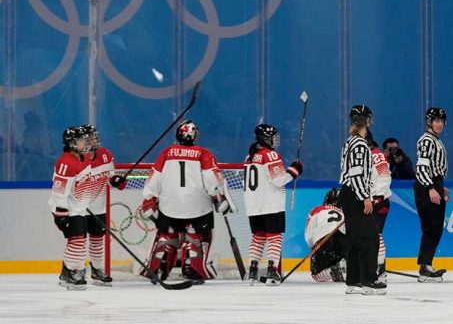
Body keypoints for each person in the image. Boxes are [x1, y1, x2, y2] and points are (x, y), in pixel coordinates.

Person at [141, 120, 234, 285]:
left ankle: (158, 267)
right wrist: (218, 197)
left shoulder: (166, 152)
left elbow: (154, 178)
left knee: (166, 236)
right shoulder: (203, 153)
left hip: (170, 205)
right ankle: (192, 269)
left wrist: (149, 198)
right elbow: (213, 179)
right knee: (197, 237)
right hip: (198, 206)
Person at [243, 124, 303, 286]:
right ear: (263, 138)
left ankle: (253, 269)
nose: (274, 140)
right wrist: (294, 170)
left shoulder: (249, 157)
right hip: (270, 204)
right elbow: (279, 180)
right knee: (274, 237)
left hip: (253, 205)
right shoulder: (270, 155)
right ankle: (272, 270)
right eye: (271, 137)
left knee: (258, 237)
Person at [338, 105, 386, 295]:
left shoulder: (350, 141)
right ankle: (368, 280)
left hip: (349, 193)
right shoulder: (359, 144)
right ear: (367, 121)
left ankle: (354, 280)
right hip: (354, 194)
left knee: (355, 239)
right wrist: (365, 196)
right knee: (370, 237)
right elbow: (356, 173)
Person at [48, 126, 92, 289]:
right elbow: (59, 192)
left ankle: (69, 272)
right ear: (72, 143)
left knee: (80, 240)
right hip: (67, 209)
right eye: (82, 141)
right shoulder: (66, 163)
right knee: (76, 240)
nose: (85, 143)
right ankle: (72, 271)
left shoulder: (84, 158)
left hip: (78, 208)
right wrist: (61, 214)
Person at [414, 107, 450, 282]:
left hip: (433, 183)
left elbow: (432, 168)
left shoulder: (434, 140)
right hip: (426, 186)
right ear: (429, 122)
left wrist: (439, 187)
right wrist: (430, 188)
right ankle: (425, 267)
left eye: (442, 121)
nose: (440, 124)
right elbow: (422, 167)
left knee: (434, 227)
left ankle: (426, 264)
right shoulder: (427, 141)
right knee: (431, 227)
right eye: (436, 121)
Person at [81, 124, 120, 286]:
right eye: (91, 138)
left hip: (99, 207)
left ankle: (97, 270)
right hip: (79, 209)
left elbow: (111, 177)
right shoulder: (75, 158)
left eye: (95, 137)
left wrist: (117, 180)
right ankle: (74, 271)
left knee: (97, 240)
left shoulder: (105, 154)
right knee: (77, 241)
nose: (95, 140)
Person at [304, 188, 347, 282]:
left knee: (316, 275)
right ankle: (345, 266)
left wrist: (315, 249)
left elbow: (309, 235)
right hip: (343, 241)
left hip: (324, 241)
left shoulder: (316, 209)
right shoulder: (344, 213)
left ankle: (334, 270)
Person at [367, 131, 392, 283]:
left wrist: (378, 196)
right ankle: (374, 266)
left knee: (376, 235)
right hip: (370, 201)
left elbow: (385, 176)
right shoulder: (363, 154)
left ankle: (380, 268)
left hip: (379, 201)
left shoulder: (376, 155)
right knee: (370, 236)